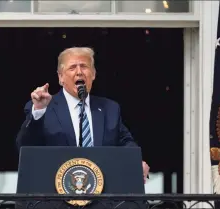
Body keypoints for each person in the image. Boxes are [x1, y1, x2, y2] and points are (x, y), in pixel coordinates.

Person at [16, 47, 150, 182]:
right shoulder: (44, 107)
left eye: (84, 66)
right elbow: (24, 148)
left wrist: (135, 161)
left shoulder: (110, 109)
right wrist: (39, 110)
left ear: (93, 74)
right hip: (56, 195)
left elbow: (125, 142)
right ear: (61, 77)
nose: (79, 72)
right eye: (72, 67)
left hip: (102, 193)